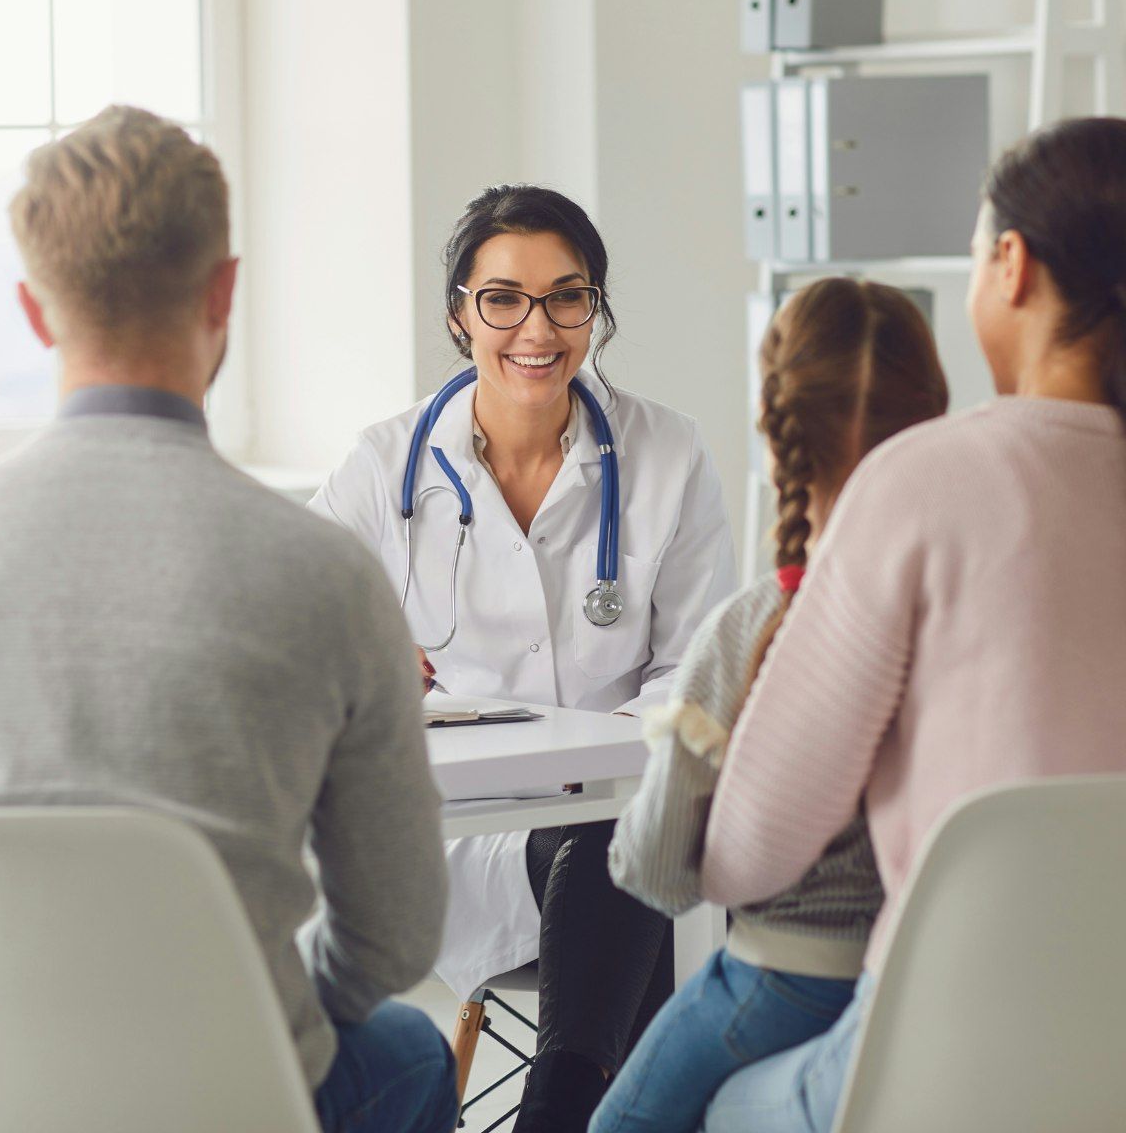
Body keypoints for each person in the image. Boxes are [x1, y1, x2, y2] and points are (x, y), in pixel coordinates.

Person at [0, 106, 456, 1133]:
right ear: (225, 290)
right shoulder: (328, 576)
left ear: (36, 311)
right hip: (233, 1094)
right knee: (408, 1051)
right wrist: (262, 1021)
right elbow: (396, 940)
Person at [693, 117, 1126, 1132]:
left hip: (948, 1048)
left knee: (715, 1108)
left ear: (1010, 267)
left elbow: (749, 848)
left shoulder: (922, 483)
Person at [309, 184, 736, 1130]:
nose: (536, 328)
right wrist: (370, 663)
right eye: (503, 298)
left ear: (597, 308)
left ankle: (557, 1106)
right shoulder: (385, 470)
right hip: (458, 839)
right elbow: (294, 636)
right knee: (635, 864)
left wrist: (604, 758)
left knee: (623, 835)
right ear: (460, 313)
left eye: (566, 296)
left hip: (625, 820)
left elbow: (700, 671)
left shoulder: (668, 456)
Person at [592, 278, 949, 1133]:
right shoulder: (965, 621)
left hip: (776, 982)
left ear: (773, 431)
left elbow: (653, 873)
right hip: (925, 983)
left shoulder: (754, 631)